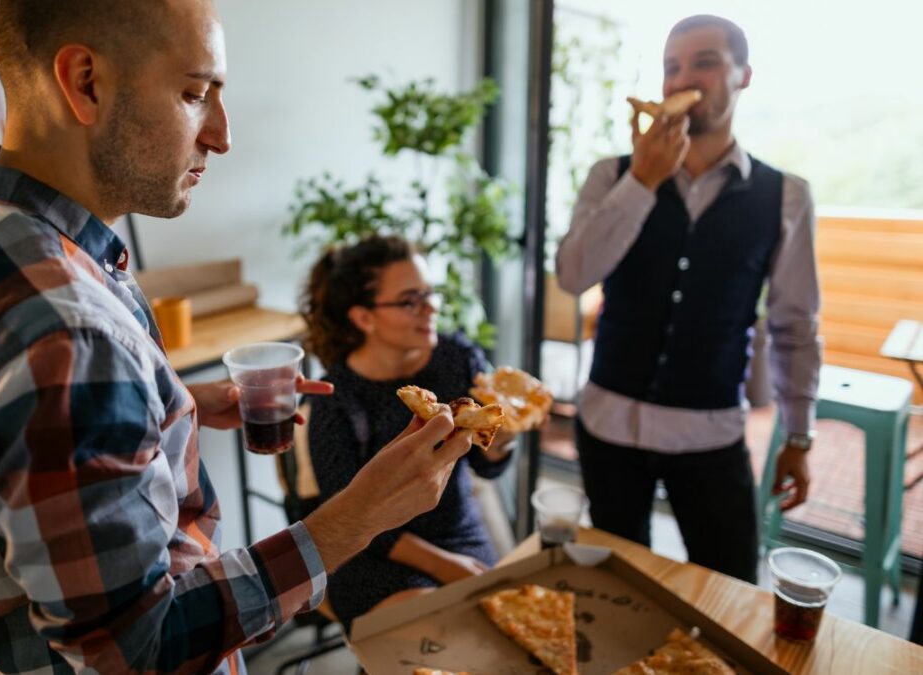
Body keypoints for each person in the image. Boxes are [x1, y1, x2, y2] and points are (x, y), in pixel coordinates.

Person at [0, 2, 472, 673]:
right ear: (85, 82)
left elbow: (18, 437)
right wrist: (357, 516)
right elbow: (139, 649)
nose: (222, 135)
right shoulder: (68, 333)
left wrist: (168, 404)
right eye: (195, 94)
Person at [555, 14, 821, 583]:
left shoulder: (786, 196)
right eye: (671, 67)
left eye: (704, 62)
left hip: (711, 434)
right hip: (608, 428)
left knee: (729, 589)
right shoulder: (613, 175)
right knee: (615, 588)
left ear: (743, 74)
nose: (681, 80)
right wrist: (643, 184)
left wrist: (799, 435)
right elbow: (573, 276)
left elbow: (794, 325)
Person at [300, 235, 517, 629]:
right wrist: (445, 567)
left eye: (430, 294)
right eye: (409, 300)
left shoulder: (458, 359)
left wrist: (503, 441)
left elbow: (487, 468)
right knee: (431, 638)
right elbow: (349, 517)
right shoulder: (336, 401)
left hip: (457, 531)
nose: (430, 308)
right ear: (363, 317)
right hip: (370, 551)